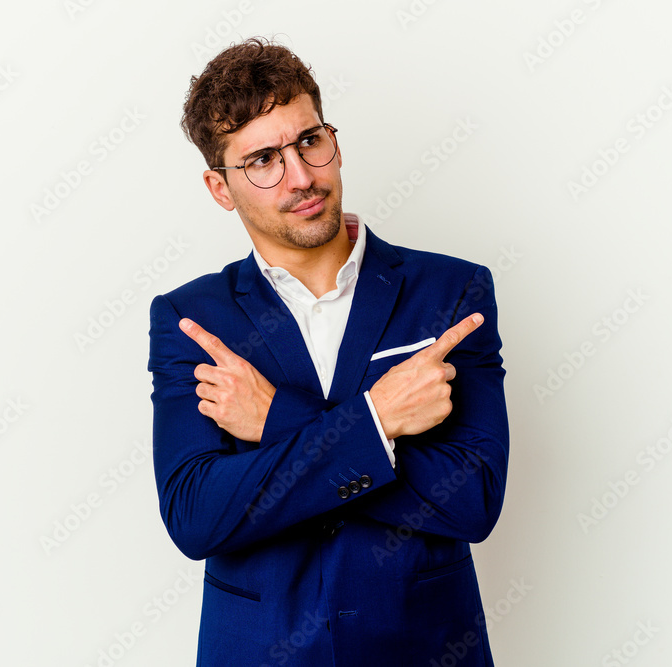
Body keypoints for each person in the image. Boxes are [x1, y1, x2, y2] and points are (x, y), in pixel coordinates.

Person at [148, 37, 509, 666]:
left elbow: (472, 498)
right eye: (263, 160)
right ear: (220, 187)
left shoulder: (452, 291)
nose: (302, 176)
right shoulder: (193, 319)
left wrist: (276, 421)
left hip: (424, 647)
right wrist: (380, 421)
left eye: (310, 141)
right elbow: (197, 516)